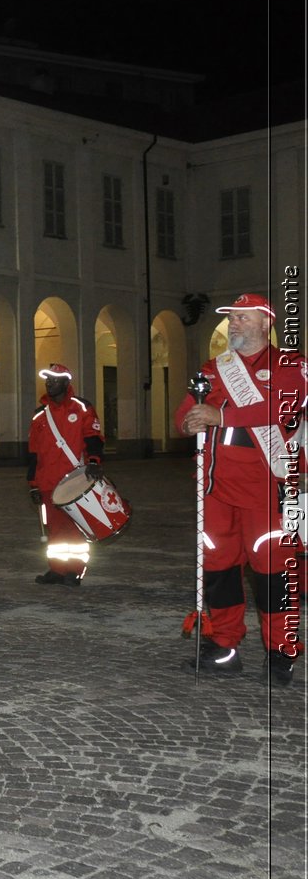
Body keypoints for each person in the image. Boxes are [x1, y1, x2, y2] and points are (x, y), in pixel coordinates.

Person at [175, 292, 306, 686]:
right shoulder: (215, 368)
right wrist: (187, 424)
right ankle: (225, 646)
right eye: (231, 318)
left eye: (242, 318)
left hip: (267, 489)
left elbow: (282, 408)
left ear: (266, 323)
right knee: (219, 572)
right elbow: (186, 410)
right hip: (216, 489)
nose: (233, 323)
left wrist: (221, 415)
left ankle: (280, 654)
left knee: (273, 575)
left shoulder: (290, 365)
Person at [27, 363, 105, 585]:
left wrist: (94, 461)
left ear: (66, 382)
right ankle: (57, 570)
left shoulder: (82, 408)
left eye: (55, 378)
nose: (49, 382)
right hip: (47, 481)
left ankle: (75, 570)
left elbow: (93, 438)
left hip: (74, 480)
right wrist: (33, 483)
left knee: (75, 528)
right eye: (47, 379)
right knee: (54, 528)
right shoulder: (39, 415)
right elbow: (33, 453)